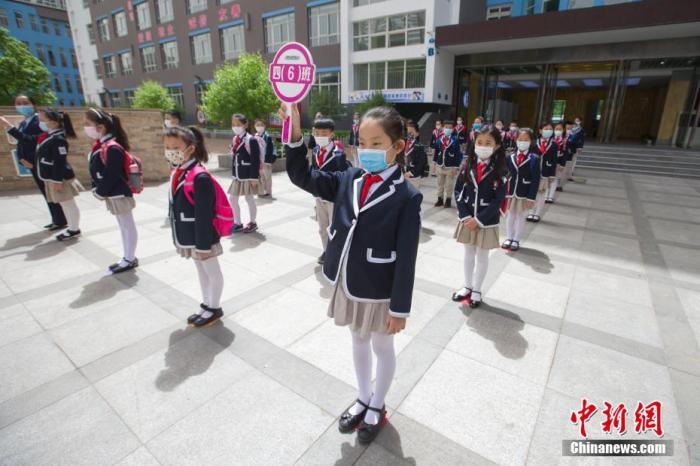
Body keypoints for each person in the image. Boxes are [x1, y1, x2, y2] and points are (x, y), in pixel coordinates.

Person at [282, 102, 421, 445]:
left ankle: (377, 405)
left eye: (377, 144)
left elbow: (407, 258)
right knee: (357, 339)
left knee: (381, 344)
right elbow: (304, 176)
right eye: (362, 142)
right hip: (348, 279)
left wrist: (399, 309)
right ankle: (362, 396)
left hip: (379, 288)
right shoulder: (350, 177)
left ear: (398, 146)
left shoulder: (407, 196)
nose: (367, 150)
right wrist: (296, 133)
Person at [165, 125, 225, 327]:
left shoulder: (199, 176)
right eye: (167, 147)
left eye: (175, 147)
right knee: (201, 270)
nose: (170, 151)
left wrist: (203, 245)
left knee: (211, 270)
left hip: (202, 237)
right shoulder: (179, 171)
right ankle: (207, 303)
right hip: (189, 234)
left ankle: (214, 307)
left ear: (190, 148)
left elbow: (204, 215)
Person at [452, 125, 507, 308]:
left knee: (482, 256)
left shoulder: (501, 170)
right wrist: (466, 216)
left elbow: (498, 200)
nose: (482, 146)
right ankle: (467, 286)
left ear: (497, 146)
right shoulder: (467, 165)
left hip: (486, 221)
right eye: (480, 142)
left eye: (488, 143)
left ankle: (477, 289)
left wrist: (479, 219)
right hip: (467, 220)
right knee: (468, 253)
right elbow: (458, 191)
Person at [0, 95, 67, 230]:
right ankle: (57, 218)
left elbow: (34, 140)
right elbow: (21, 143)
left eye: (25, 102)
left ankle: (60, 219)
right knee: (45, 192)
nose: (22, 105)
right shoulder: (25, 122)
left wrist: (9, 127)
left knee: (50, 191)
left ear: (33, 104)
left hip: (39, 163)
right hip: (30, 163)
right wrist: (21, 158)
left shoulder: (39, 121)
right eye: (18, 103)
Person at [86, 108, 139, 273]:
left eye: (88, 124)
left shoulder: (112, 147)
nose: (86, 127)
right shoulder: (104, 145)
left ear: (101, 127)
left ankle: (129, 258)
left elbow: (112, 173)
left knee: (127, 225)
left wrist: (100, 191)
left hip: (118, 192)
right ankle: (127, 256)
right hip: (113, 193)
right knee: (123, 225)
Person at [35, 108, 82, 241]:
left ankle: (74, 229)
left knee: (68, 204)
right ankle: (72, 227)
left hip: (59, 178)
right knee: (64, 204)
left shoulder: (58, 139)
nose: (41, 122)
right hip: (53, 177)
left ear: (55, 122)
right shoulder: (52, 136)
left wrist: (57, 180)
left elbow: (59, 161)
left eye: (44, 120)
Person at [310, 117, 349, 264]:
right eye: (317, 132)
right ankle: (327, 251)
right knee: (322, 227)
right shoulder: (315, 151)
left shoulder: (339, 154)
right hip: (319, 197)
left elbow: (343, 176)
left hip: (333, 198)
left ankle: (337, 252)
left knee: (334, 228)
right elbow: (313, 172)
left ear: (331, 134)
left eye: (324, 133)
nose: (320, 136)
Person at [503, 128, 539, 252]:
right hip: (511, 192)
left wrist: (531, 197)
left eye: (526, 140)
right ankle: (509, 237)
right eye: (520, 139)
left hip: (524, 193)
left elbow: (535, 180)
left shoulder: (534, 158)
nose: (522, 142)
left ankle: (516, 239)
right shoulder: (510, 156)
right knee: (510, 215)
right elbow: (505, 173)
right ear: (515, 140)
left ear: (531, 141)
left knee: (521, 216)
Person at [228, 113, 260, 233]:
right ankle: (237, 222)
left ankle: (253, 222)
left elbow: (255, 159)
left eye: (238, 124)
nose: (235, 126)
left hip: (248, 175)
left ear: (245, 125)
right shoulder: (235, 139)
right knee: (232, 199)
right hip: (238, 175)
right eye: (233, 124)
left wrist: (254, 177)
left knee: (249, 198)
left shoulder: (251, 139)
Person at [528, 122, 556, 222]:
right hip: (534, 172)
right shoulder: (534, 143)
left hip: (545, 172)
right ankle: (531, 212)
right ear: (540, 130)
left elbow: (554, 160)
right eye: (546, 128)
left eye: (550, 129)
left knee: (541, 193)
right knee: (532, 193)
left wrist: (552, 174)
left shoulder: (553, 145)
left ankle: (537, 213)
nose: (548, 131)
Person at [432, 120, 463, 208]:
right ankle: (440, 199)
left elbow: (458, 155)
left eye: (450, 128)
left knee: (449, 185)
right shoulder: (439, 140)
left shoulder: (455, 140)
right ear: (443, 128)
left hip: (450, 167)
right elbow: (436, 153)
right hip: (440, 165)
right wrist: (434, 165)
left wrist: (456, 167)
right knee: (440, 184)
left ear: (453, 129)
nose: (448, 129)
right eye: (446, 127)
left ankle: (448, 200)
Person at [254, 118, 276, 198]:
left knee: (267, 177)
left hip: (266, 161)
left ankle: (268, 192)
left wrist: (268, 161)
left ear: (264, 126)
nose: (259, 127)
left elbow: (270, 149)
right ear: (255, 126)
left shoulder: (267, 137)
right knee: (260, 177)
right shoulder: (254, 137)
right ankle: (261, 191)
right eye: (257, 125)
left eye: (261, 125)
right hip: (258, 161)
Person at [404, 120, 427, 190]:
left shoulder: (419, 146)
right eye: (408, 132)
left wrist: (411, 172)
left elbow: (421, 162)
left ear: (417, 133)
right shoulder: (403, 144)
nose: (409, 134)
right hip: (402, 175)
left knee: (413, 196)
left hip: (414, 176)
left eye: (411, 132)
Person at [553, 122, 568, 194]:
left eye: (560, 129)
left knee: (555, 177)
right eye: (556, 129)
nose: (558, 130)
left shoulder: (565, 141)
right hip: (550, 161)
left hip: (559, 161)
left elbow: (565, 153)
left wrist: (562, 164)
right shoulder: (551, 139)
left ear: (563, 130)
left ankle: (550, 197)